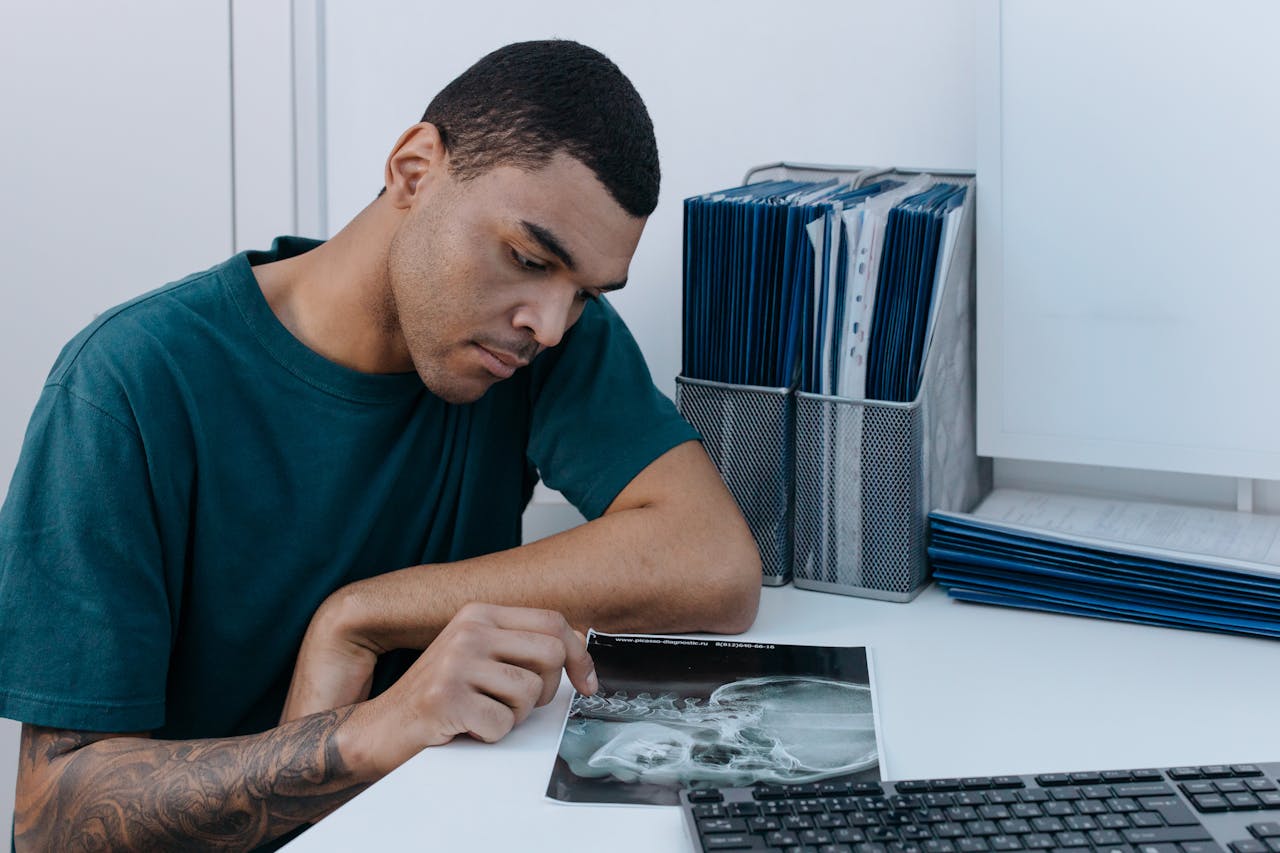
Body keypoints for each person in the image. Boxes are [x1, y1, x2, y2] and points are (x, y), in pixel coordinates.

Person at [0, 40, 761, 851]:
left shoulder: (543, 338)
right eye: (528, 257)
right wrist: (363, 733)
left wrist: (362, 614)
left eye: (583, 292)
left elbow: (714, 561)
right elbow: (52, 819)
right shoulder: (127, 384)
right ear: (413, 170)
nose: (548, 320)